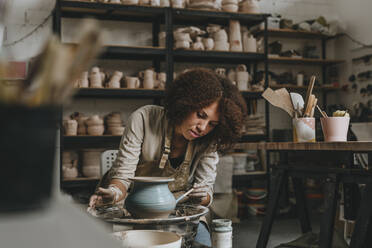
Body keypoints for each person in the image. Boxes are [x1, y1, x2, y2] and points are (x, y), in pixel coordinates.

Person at [89, 68, 247, 246]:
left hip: (177, 206)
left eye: (212, 124)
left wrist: (202, 195)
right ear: (186, 103)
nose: (202, 128)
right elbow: (122, 177)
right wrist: (114, 193)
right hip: (129, 203)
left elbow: (206, 192)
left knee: (201, 241)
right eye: (200, 115)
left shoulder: (208, 140)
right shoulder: (144, 118)